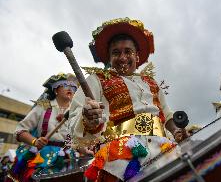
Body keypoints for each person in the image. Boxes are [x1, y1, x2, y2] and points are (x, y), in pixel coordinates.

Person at [69, 17, 188, 181]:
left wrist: (176, 131)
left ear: (137, 56)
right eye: (116, 53)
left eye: (128, 51)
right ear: (109, 58)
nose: (123, 57)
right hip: (119, 159)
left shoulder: (151, 82)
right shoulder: (97, 79)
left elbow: (167, 115)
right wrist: (88, 119)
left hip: (164, 149)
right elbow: (75, 115)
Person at [7, 73, 78, 182]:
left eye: (74, 87)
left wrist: (85, 150)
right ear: (56, 90)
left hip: (66, 159)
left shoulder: (75, 113)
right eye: (65, 85)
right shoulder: (43, 107)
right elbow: (20, 131)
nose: (70, 88)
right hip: (40, 157)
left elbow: (75, 139)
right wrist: (35, 141)